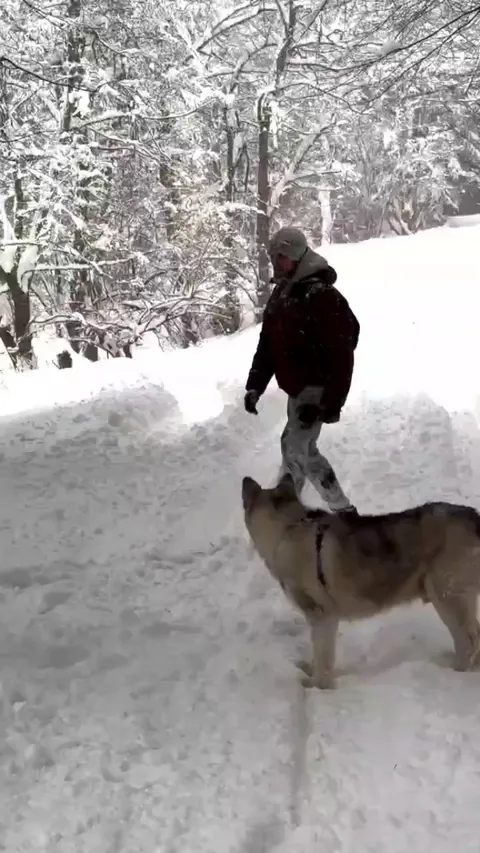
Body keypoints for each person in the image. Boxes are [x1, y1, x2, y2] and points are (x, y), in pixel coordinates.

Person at [244, 226, 360, 514]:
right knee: (293, 447)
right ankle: (287, 507)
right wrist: (255, 385)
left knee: (298, 448)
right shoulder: (283, 292)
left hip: (316, 389)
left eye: (281, 256)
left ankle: (342, 510)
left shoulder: (321, 296)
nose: (276, 262)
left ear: (296, 255)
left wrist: (328, 404)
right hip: (297, 389)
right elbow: (268, 344)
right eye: (274, 256)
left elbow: (342, 353)